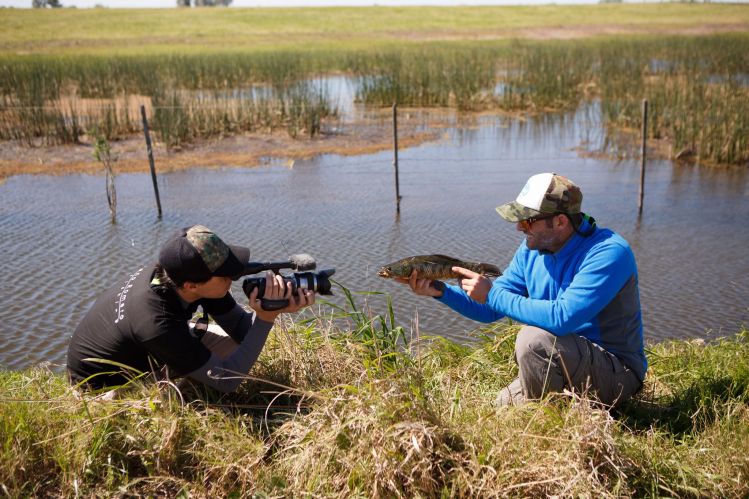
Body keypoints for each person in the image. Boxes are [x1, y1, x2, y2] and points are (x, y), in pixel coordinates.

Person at [398, 173, 646, 407]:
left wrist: (492, 293)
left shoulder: (608, 253)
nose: (519, 227)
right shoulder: (533, 249)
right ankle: (556, 407)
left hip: (616, 372)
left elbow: (562, 318)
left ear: (560, 221)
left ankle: (552, 426)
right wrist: (440, 290)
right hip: (563, 358)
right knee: (499, 407)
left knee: (532, 341)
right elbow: (489, 310)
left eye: (527, 220)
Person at [67, 224, 314, 394]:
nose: (233, 278)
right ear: (191, 285)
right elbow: (227, 381)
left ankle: (185, 367)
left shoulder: (183, 275)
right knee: (227, 366)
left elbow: (240, 330)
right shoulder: (156, 322)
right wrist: (264, 320)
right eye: (225, 274)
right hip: (102, 387)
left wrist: (276, 307)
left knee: (235, 347)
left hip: (145, 346)